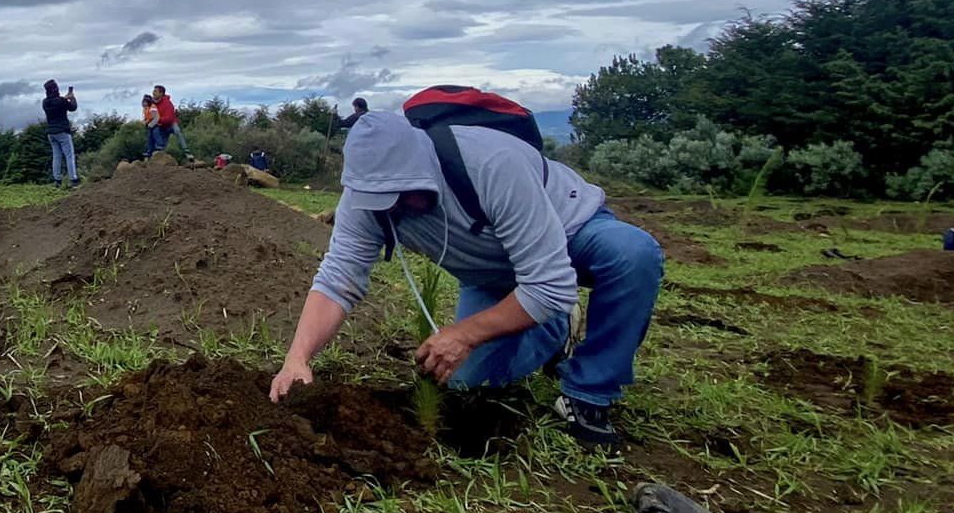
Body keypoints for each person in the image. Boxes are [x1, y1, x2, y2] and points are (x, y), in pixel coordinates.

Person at [269, 109, 664, 449]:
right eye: (379, 198)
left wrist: (465, 333)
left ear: (423, 167)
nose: (392, 207)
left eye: (401, 194)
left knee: (632, 254)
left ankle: (588, 392)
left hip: (569, 229)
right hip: (495, 273)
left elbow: (550, 282)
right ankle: (554, 327)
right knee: (466, 382)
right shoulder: (365, 200)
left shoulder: (490, 165)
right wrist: (296, 359)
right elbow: (338, 279)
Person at [43, 79, 80, 189]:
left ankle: (57, 181)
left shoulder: (45, 102)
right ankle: (74, 180)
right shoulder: (61, 101)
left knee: (56, 156)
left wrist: (65, 98)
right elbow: (73, 107)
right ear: (55, 89)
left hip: (51, 133)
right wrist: (72, 97)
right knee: (69, 156)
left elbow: (57, 101)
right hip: (63, 132)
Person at [151, 86, 191, 160]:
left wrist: (158, 120)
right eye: (153, 91)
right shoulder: (152, 103)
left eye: (155, 91)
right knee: (155, 133)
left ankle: (186, 151)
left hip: (170, 124)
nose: (153, 93)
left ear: (161, 93)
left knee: (177, 131)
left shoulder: (167, 103)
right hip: (161, 125)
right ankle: (158, 153)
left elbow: (169, 118)